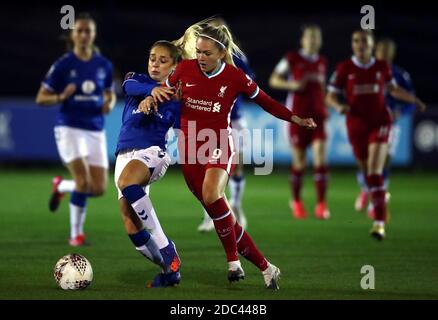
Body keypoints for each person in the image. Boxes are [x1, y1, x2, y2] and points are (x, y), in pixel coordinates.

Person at [152, 19, 316, 289]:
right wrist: (152, 96)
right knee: (220, 214)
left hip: (218, 142)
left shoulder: (235, 76)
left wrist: (294, 118)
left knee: (211, 194)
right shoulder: (183, 69)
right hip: (189, 148)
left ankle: (232, 261)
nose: (201, 58)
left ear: (221, 52)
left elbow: (265, 100)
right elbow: (163, 91)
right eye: (199, 52)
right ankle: (267, 268)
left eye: (207, 53)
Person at [326, 30, 426, 240]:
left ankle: (379, 223)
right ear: (352, 44)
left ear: (371, 46)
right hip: (356, 125)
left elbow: (392, 89)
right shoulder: (344, 68)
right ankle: (373, 195)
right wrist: (339, 105)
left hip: (380, 122)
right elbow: (330, 95)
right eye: (356, 41)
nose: (360, 44)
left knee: (375, 170)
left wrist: (412, 100)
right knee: (365, 170)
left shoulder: (381, 67)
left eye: (364, 41)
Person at [35, 13, 116, 246]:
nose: (83, 35)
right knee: (83, 182)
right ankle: (76, 235)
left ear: (93, 34)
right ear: (73, 35)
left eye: (87, 31)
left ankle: (61, 186)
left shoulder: (103, 65)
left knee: (98, 188)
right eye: (79, 30)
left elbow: (109, 94)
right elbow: (41, 98)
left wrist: (108, 104)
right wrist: (61, 96)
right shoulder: (63, 64)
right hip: (69, 127)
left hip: (95, 129)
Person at [115, 41, 182, 287]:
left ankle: (166, 247)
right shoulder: (137, 81)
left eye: (163, 60)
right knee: (130, 224)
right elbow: (128, 84)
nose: (155, 62)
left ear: (174, 67)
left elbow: (183, 131)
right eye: (152, 57)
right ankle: (169, 271)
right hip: (124, 156)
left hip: (153, 153)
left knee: (126, 182)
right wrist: (152, 91)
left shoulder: (177, 99)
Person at [197, 17, 254, 232]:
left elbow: (249, 84)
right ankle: (208, 216)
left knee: (236, 165)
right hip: (208, 120)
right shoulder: (200, 56)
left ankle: (237, 206)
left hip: (235, 118)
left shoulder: (237, 56)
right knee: (206, 169)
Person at [269, 24, 330, 220]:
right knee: (300, 163)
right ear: (303, 40)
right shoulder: (292, 59)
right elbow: (274, 79)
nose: (313, 40)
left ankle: (321, 205)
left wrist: (328, 102)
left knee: (320, 159)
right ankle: (296, 201)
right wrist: (292, 84)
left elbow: (322, 89)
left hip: (319, 117)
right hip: (298, 118)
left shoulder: (322, 61)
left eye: (316, 37)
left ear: (320, 41)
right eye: (309, 37)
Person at [355, 38, 417, 218]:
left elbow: (411, 101)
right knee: (366, 160)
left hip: (389, 124)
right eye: (380, 50)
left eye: (387, 51)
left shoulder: (399, 75)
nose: (383, 53)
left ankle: (376, 203)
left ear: (392, 53)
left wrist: (400, 111)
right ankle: (365, 189)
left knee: (384, 161)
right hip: (366, 123)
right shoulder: (365, 70)